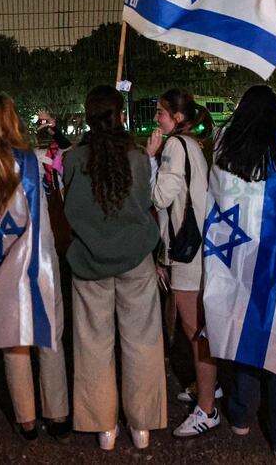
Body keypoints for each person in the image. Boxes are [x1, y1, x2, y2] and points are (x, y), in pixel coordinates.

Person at [0, 94, 70, 441]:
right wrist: (56, 132)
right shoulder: (33, 160)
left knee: (14, 340)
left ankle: (25, 420)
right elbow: (65, 160)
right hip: (40, 258)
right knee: (49, 333)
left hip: (1, 261)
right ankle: (57, 414)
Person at [209, 84, 276, 460]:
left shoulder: (224, 147)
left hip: (234, 259)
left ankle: (240, 413)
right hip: (273, 262)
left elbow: (214, 195)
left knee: (240, 330)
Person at [63, 85, 166, 450]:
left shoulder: (74, 159)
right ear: (120, 115)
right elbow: (144, 202)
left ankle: (103, 427)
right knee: (142, 343)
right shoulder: (137, 157)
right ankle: (142, 426)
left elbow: (70, 207)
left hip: (90, 262)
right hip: (135, 258)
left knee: (93, 345)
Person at [146, 88, 220, 438]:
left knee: (196, 332)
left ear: (176, 117)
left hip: (185, 249)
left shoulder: (174, 146)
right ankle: (207, 388)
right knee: (198, 327)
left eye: (161, 113)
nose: (156, 118)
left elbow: (160, 196)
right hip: (198, 244)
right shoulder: (194, 144)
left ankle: (208, 407)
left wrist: (150, 159)